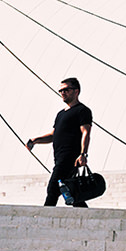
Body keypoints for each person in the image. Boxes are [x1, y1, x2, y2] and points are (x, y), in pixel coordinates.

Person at [26, 77, 95, 206]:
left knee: (53, 188)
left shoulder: (82, 110)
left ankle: (44, 218)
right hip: (58, 157)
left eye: (66, 90)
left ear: (76, 91)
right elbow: (54, 135)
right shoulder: (60, 114)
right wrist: (35, 140)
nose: (63, 93)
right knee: (70, 191)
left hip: (70, 157)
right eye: (61, 90)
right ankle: (84, 214)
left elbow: (86, 132)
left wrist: (83, 154)